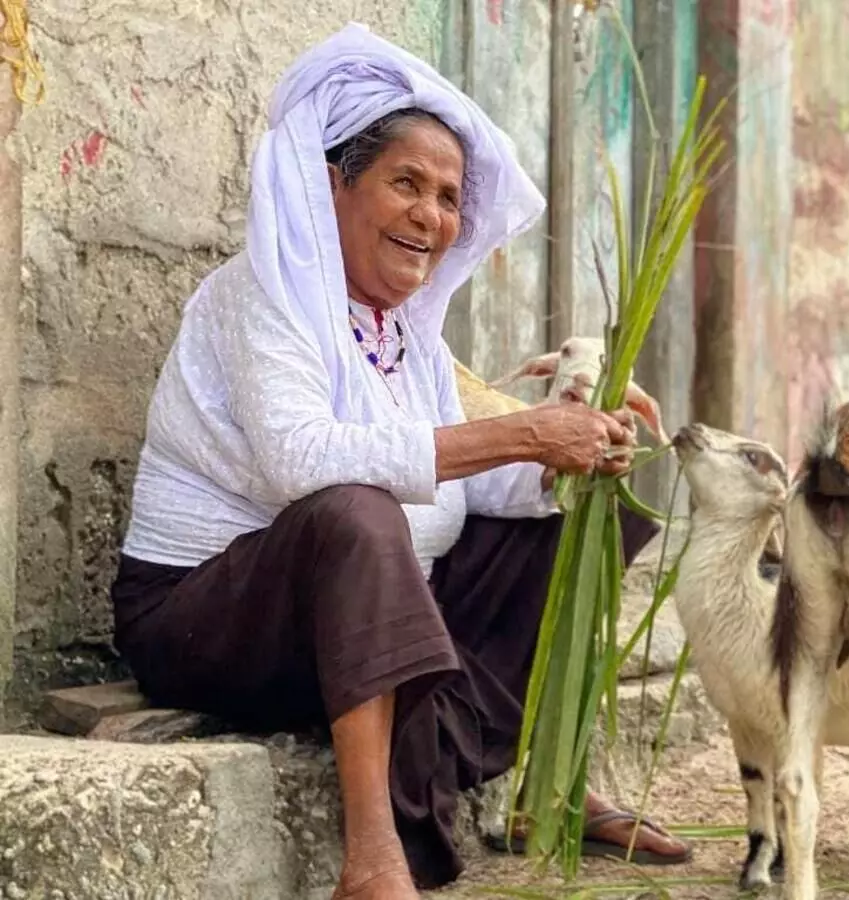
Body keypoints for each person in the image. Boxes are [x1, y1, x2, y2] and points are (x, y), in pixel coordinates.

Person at [107, 23, 690, 899]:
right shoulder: (262, 295)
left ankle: (547, 779)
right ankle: (375, 857)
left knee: (585, 521)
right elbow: (303, 464)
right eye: (406, 184)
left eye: (450, 197)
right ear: (334, 186)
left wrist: (565, 453)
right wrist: (523, 434)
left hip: (342, 625)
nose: (433, 215)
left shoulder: (403, 330)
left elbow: (465, 476)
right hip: (201, 620)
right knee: (355, 509)